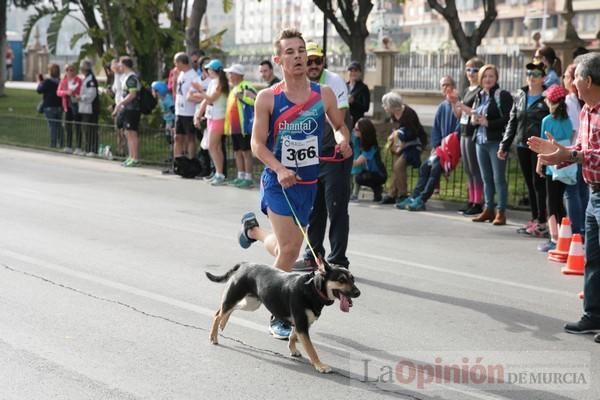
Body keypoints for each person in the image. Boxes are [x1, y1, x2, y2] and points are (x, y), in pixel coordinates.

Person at [237, 29, 351, 339]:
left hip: (308, 182)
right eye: (290, 51)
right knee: (290, 248)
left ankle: (253, 231)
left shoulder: (322, 94)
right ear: (278, 60)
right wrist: (280, 168)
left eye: (301, 50)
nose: (298, 56)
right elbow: (257, 144)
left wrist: (343, 140)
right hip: (279, 181)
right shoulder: (268, 98)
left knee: (287, 245)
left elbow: (340, 126)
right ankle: (279, 314)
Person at [527, 52, 600, 338]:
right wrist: (555, 155)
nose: (573, 83)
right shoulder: (586, 110)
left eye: (576, 77)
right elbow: (580, 150)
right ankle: (593, 315)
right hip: (594, 193)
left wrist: (569, 153)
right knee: (593, 259)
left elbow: (587, 154)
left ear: (589, 80)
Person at [303, 41, 353, 270]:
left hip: (334, 154)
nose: (313, 65)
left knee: (336, 208)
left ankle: (338, 259)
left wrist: (342, 141)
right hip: (311, 155)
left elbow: (338, 119)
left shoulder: (333, 82)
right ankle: (313, 256)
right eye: (308, 61)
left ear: (323, 62)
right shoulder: (298, 84)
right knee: (314, 208)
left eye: (317, 61)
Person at [499, 61, 550, 234]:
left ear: (543, 77)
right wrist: (504, 144)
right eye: (529, 74)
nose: (532, 78)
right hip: (522, 144)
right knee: (530, 183)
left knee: (539, 183)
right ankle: (535, 218)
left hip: (539, 146)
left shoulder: (548, 97)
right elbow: (512, 121)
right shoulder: (521, 94)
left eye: (536, 74)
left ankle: (542, 222)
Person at [396, 76, 460, 209]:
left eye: (448, 85)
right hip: (440, 148)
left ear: (454, 87)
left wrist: (448, 145)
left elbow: (460, 126)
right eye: (443, 85)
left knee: (435, 169)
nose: (445, 88)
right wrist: (435, 146)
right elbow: (436, 128)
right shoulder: (442, 107)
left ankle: (422, 199)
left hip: (452, 148)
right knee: (425, 167)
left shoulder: (459, 105)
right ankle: (414, 196)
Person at [468, 64, 513, 225]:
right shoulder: (479, 95)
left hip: (496, 141)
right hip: (480, 140)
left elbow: (509, 119)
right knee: (486, 178)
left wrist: (489, 123)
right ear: (480, 79)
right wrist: (474, 120)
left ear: (496, 78)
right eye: (485, 76)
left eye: (491, 76)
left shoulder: (503, 95)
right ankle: (488, 209)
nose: (488, 79)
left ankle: (501, 211)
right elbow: (475, 115)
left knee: (498, 178)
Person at [535, 84, 572, 252]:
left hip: (551, 166)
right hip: (566, 166)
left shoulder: (547, 121)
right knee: (560, 202)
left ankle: (554, 238)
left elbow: (542, 146)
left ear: (552, 101)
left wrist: (539, 164)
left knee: (551, 202)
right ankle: (566, 236)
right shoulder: (568, 120)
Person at [380, 92, 427, 205]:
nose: (383, 107)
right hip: (400, 145)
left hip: (414, 144)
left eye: (385, 104)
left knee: (399, 166)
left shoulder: (409, 113)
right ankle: (392, 193)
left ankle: (403, 194)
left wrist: (398, 134)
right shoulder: (393, 115)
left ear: (392, 105)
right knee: (396, 168)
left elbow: (412, 133)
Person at [455, 57, 485, 216]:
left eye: (474, 70)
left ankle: (478, 201)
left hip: (473, 131)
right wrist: (455, 104)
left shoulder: (480, 91)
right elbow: (459, 114)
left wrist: (463, 107)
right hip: (463, 130)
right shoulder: (467, 89)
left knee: (475, 168)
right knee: (468, 168)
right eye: (468, 70)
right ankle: (471, 199)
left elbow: (476, 111)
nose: (471, 73)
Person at [563, 63, 589, 238]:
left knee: (571, 192)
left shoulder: (570, 100)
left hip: (574, 150)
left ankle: (575, 230)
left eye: (565, 76)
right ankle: (583, 229)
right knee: (581, 191)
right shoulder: (583, 102)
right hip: (583, 152)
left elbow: (572, 128)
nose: (563, 79)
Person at [194, 59, 229, 185]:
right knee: (214, 147)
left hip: (219, 117)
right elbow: (207, 100)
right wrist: (199, 113)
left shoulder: (221, 83)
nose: (207, 71)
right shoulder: (212, 82)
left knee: (214, 146)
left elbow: (211, 98)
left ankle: (220, 173)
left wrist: (199, 91)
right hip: (211, 117)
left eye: (208, 69)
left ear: (214, 70)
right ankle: (218, 173)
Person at [223, 63, 257, 188]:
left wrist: (242, 96)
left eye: (231, 73)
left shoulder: (246, 86)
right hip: (234, 127)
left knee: (246, 152)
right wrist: (227, 127)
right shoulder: (234, 88)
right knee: (237, 152)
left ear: (238, 74)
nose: (229, 76)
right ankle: (240, 175)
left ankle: (248, 177)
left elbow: (254, 101)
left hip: (244, 127)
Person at [112, 56, 141, 167]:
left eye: (120, 64)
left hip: (132, 109)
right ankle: (130, 156)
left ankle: (135, 157)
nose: (119, 66)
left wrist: (120, 103)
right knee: (127, 133)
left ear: (124, 65)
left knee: (132, 133)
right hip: (127, 109)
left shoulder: (132, 78)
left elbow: (132, 94)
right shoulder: (125, 77)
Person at [173, 52, 201, 165]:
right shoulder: (181, 74)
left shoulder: (193, 76)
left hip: (189, 111)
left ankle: (191, 160)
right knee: (178, 137)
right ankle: (177, 160)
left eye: (176, 62)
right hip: (179, 110)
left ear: (180, 62)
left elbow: (196, 93)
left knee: (190, 137)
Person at [352, 118, 387, 201]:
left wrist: (343, 160)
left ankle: (377, 187)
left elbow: (357, 162)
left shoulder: (371, 147)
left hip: (379, 174)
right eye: (354, 128)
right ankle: (377, 190)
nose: (354, 131)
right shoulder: (359, 141)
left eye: (357, 129)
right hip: (369, 172)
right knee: (361, 176)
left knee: (359, 178)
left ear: (364, 131)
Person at [56, 63, 82, 154]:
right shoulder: (63, 81)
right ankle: (68, 146)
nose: (69, 72)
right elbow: (58, 92)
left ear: (75, 71)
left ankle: (78, 146)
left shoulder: (78, 80)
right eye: (67, 70)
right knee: (68, 126)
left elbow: (81, 91)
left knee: (77, 126)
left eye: (71, 70)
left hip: (76, 105)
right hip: (66, 106)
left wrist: (75, 93)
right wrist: (66, 92)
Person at [36, 63, 63, 149]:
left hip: (49, 107)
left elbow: (39, 90)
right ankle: (61, 143)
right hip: (59, 106)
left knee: (52, 126)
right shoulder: (60, 81)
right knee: (59, 125)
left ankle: (53, 144)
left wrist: (40, 82)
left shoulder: (47, 82)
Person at [151, 80, 175, 173]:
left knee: (172, 139)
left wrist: (173, 123)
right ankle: (171, 156)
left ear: (158, 91)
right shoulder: (161, 99)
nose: (152, 92)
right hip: (167, 121)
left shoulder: (167, 99)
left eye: (153, 90)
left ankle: (173, 158)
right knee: (168, 139)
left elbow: (173, 110)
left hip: (171, 121)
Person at [77, 59, 99, 157]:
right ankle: (87, 148)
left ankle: (92, 149)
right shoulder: (86, 78)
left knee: (90, 129)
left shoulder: (91, 80)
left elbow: (91, 95)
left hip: (90, 109)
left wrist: (81, 97)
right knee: (86, 129)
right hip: (84, 108)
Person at [107, 58, 127, 158]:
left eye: (115, 65)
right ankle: (120, 150)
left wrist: (118, 107)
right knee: (118, 130)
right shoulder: (116, 76)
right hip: (117, 104)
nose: (113, 67)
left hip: (123, 106)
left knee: (124, 131)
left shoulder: (124, 76)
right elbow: (116, 91)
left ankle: (125, 150)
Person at [346, 61, 370, 127]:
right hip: (344, 121)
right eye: (351, 70)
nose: (353, 73)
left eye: (356, 71)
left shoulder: (364, 88)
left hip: (356, 123)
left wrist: (353, 102)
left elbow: (366, 107)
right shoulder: (344, 85)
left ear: (360, 73)